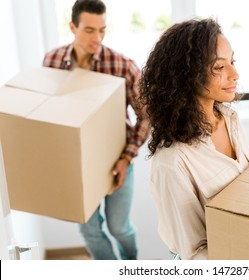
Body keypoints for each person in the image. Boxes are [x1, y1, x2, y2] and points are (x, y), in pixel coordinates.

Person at [42, 0, 150, 260]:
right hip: (75, 163)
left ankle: (131, 267)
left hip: (116, 160)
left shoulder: (123, 65)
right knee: (89, 231)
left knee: (119, 227)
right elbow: (47, 113)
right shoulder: (52, 61)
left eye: (102, 29)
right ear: (72, 26)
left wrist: (126, 158)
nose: (98, 37)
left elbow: (147, 116)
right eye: (90, 30)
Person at [139, 18, 249, 260]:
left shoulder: (230, 119)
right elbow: (195, 254)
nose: (235, 74)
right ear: (187, 75)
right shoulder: (173, 162)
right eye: (219, 68)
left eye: (232, 62)